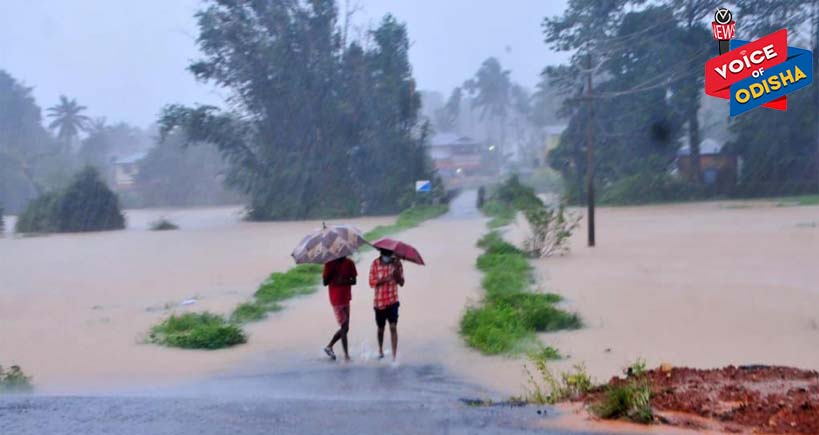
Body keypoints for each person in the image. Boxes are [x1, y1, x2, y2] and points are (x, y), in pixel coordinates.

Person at [368, 249, 404, 361]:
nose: (387, 257)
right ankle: (380, 349)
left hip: (393, 300)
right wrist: (384, 280)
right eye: (385, 255)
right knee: (380, 329)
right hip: (379, 302)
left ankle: (394, 356)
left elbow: (402, 283)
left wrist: (396, 272)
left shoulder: (397, 264)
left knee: (393, 327)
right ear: (381, 254)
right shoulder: (375, 263)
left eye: (389, 255)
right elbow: (371, 282)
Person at [322, 256, 357, 361]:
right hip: (336, 299)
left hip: (346, 298)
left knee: (345, 328)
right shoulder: (329, 264)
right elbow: (324, 283)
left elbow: (354, 281)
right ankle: (346, 355)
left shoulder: (350, 263)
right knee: (344, 327)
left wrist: (344, 281)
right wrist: (332, 274)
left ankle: (329, 346)